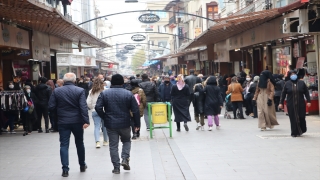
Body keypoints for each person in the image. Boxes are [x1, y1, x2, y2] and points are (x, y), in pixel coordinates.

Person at [95, 74, 140, 174]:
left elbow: (98, 107)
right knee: (126, 141)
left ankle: (116, 167)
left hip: (111, 124)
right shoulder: (128, 94)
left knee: (113, 145)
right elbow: (135, 110)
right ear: (122, 83)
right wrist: (137, 124)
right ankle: (125, 159)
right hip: (125, 123)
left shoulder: (104, 94)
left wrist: (105, 117)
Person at [48, 72, 90, 177]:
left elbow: (51, 107)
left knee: (64, 145)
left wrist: (57, 116)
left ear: (64, 81)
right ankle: (82, 165)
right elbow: (83, 106)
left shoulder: (57, 91)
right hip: (77, 121)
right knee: (79, 143)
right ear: (74, 81)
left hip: (63, 121)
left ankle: (65, 169)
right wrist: (86, 120)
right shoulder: (80, 90)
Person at [279, 70, 311, 137]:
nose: (293, 75)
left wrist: (308, 101)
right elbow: (283, 93)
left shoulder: (301, 83)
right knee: (293, 118)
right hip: (291, 104)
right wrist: (281, 103)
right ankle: (294, 132)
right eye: (291, 74)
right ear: (289, 76)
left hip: (301, 103)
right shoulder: (287, 83)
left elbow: (306, 92)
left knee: (301, 117)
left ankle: (302, 129)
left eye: (294, 74)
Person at [86, 78, 109, 148]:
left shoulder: (91, 91)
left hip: (95, 111)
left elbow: (88, 102)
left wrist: (92, 108)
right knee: (105, 126)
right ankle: (105, 141)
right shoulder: (106, 90)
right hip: (104, 110)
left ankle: (97, 142)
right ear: (102, 83)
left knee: (96, 126)